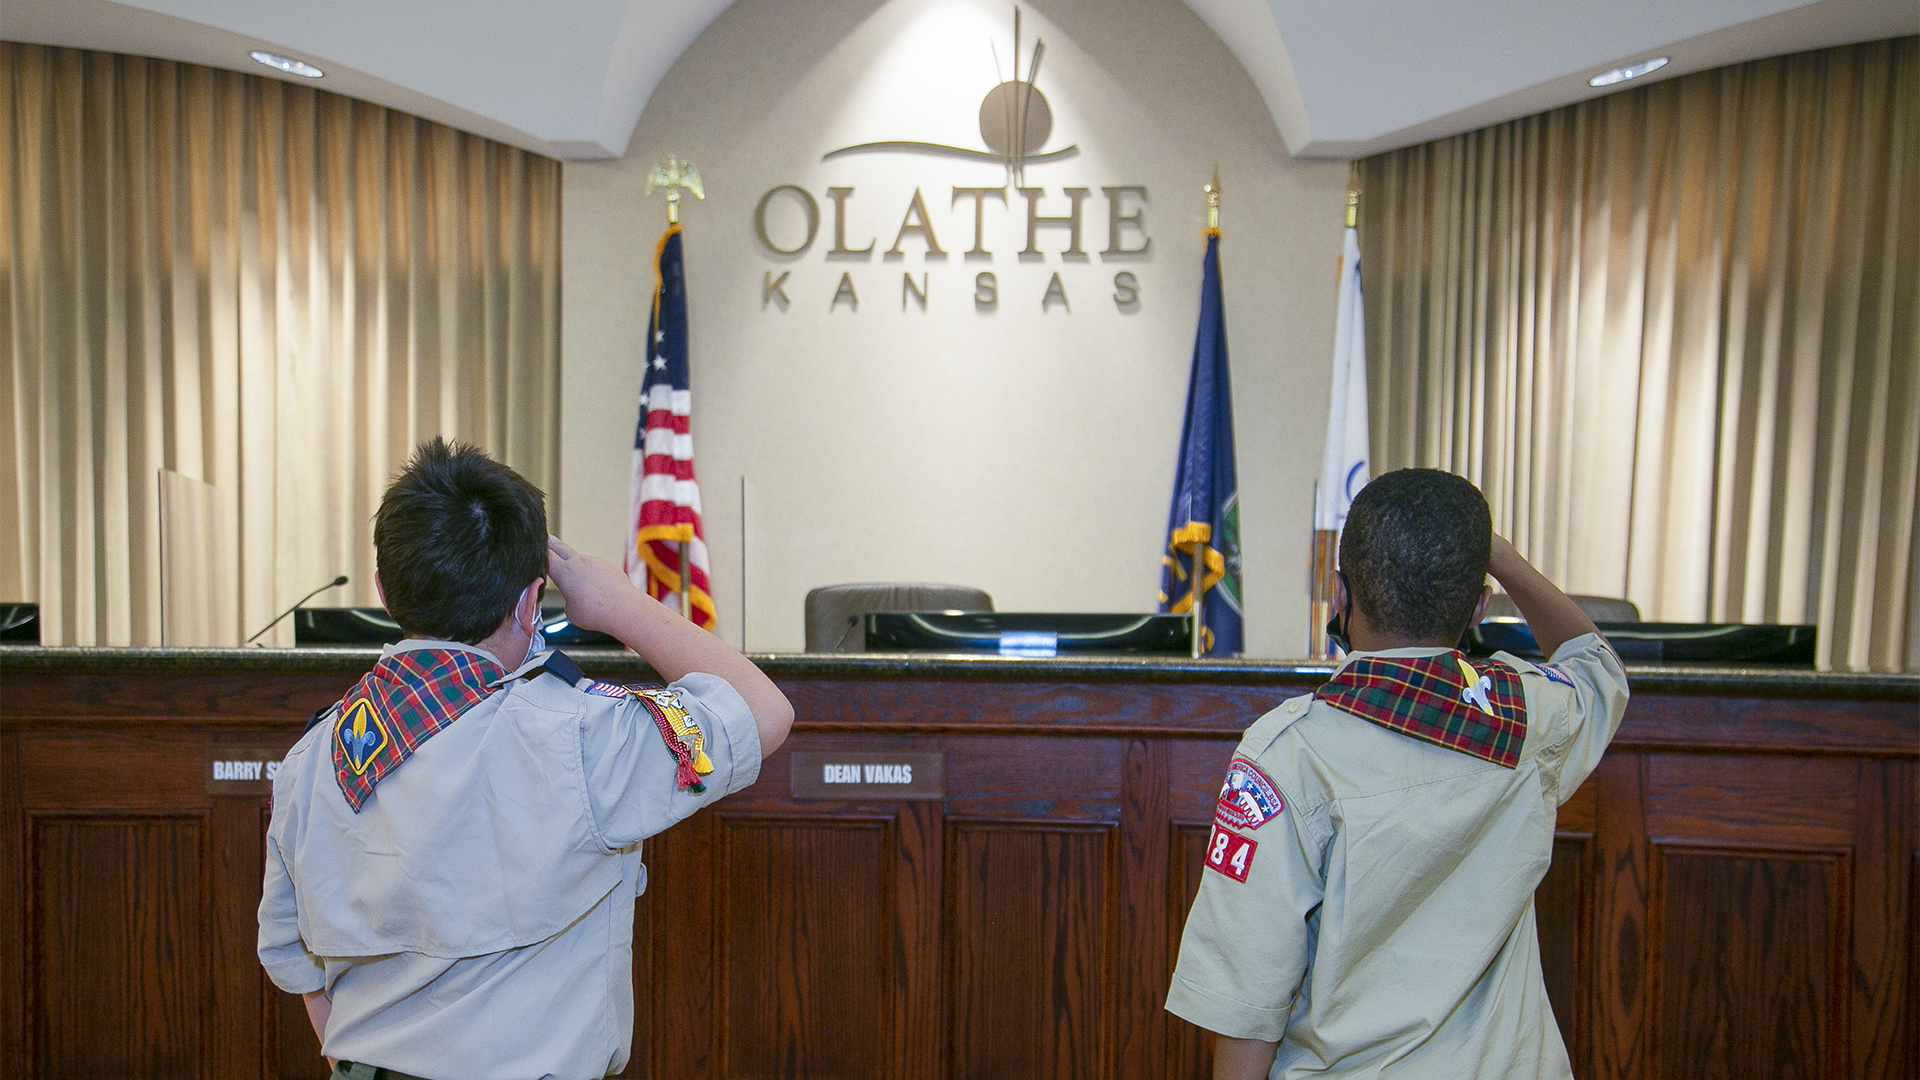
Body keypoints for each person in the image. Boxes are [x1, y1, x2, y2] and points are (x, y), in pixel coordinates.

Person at [258, 438, 794, 1080]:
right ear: (529, 602)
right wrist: (620, 604)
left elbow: (297, 966)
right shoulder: (583, 737)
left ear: (383, 590)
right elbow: (765, 712)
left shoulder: (309, 760)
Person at [1166, 468, 1629, 1079]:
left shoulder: (1290, 755)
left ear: (1340, 597)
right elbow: (1595, 661)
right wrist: (1497, 554)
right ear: (1479, 606)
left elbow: (1247, 1004)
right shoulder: (1529, 719)